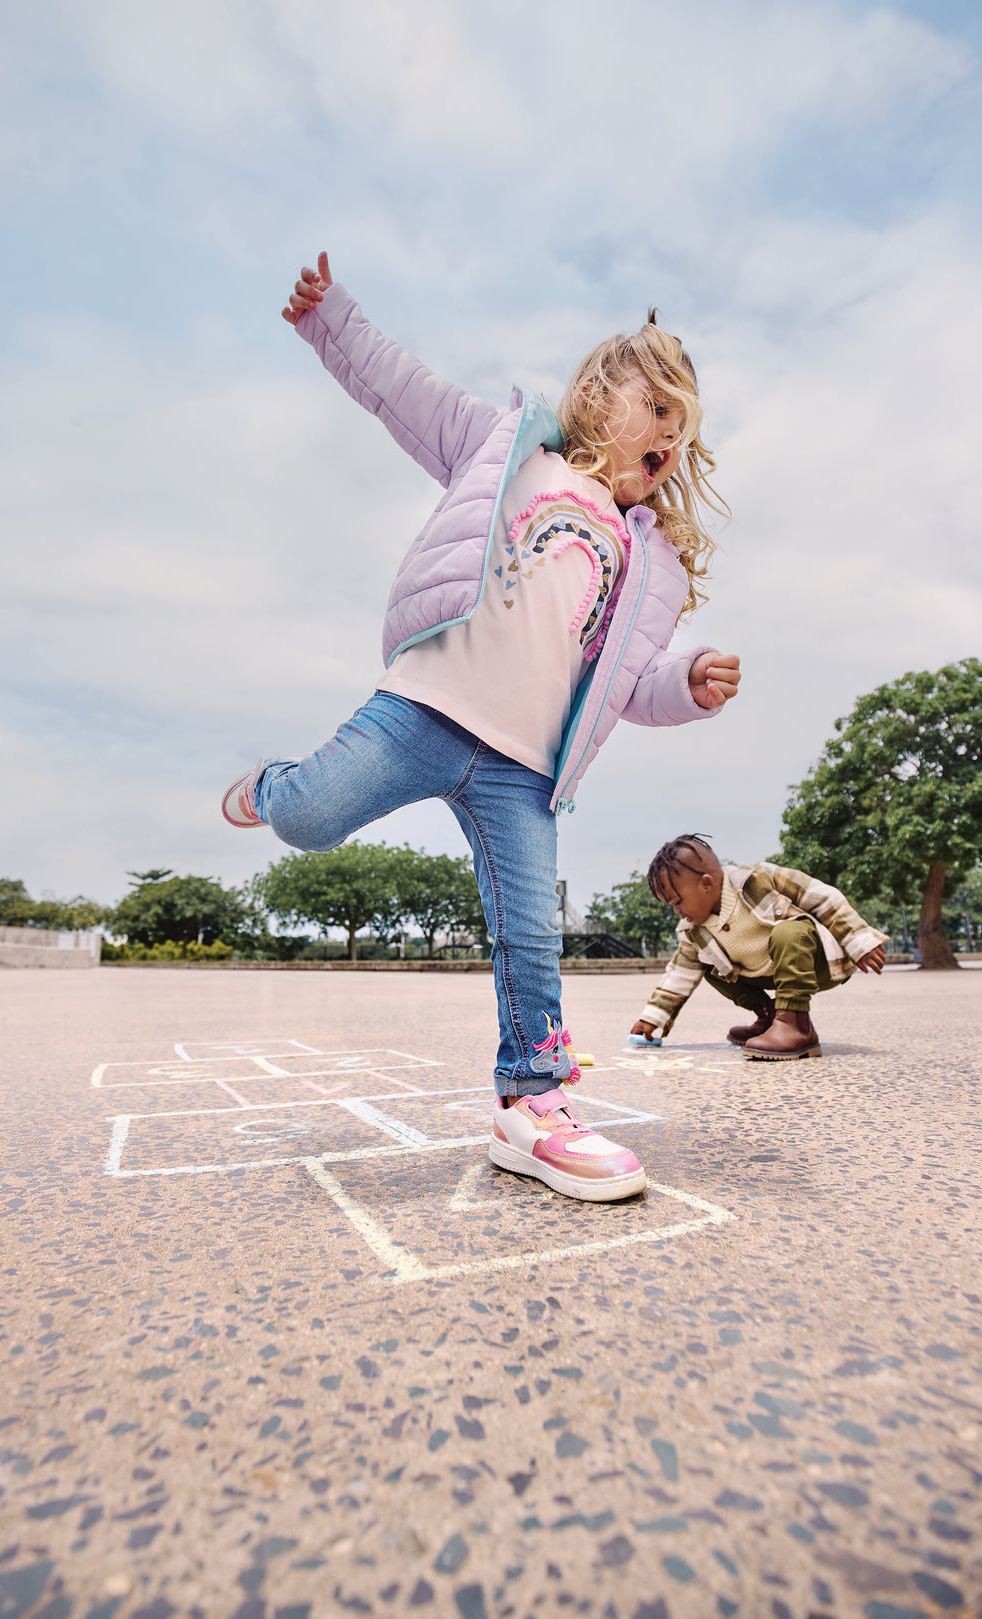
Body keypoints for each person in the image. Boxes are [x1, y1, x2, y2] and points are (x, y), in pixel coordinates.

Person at [224, 252, 741, 1200]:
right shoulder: (507, 448)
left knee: (531, 934)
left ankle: (532, 1104)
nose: (672, 436)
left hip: (520, 768)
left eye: (685, 428)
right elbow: (399, 389)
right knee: (307, 818)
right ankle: (272, 784)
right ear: (599, 393)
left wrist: (688, 684)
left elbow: (628, 682)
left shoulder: (640, 555)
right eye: (659, 409)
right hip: (425, 707)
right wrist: (330, 316)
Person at [631, 835, 888, 1058]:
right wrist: (652, 1018)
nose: (677, 911)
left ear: (706, 884)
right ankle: (770, 1017)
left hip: (812, 962)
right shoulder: (693, 931)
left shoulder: (757, 880)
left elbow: (821, 896)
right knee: (709, 967)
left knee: (788, 932)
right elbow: (679, 974)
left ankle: (796, 1025)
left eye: (678, 901)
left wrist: (859, 940)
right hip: (767, 974)